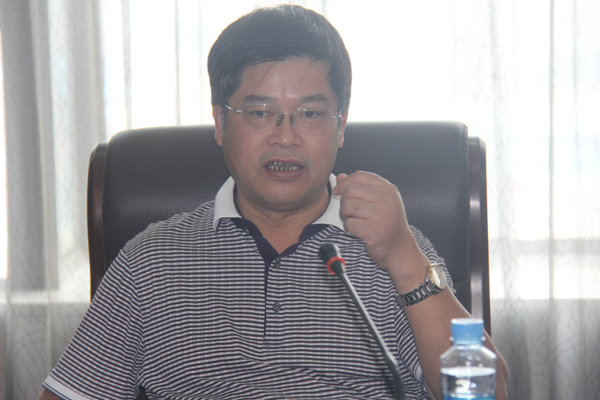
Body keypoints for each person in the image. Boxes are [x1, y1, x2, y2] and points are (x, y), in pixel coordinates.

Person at [39, 4, 508, 400]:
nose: (286, 137)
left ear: (340, 126)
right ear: (220, 122)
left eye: (311, 113)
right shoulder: (152, 260)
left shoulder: (394, 248)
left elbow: (488, 394)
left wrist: (405, 258)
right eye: (261, 112)